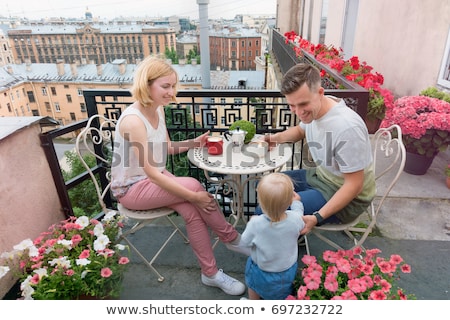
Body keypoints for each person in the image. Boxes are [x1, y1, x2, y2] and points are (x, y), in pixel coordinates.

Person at [110, 56, 245, 296]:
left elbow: (167, 147)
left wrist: (195, 142)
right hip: (132, 189)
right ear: (146, 84)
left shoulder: (157, 110)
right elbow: (151, 172)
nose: (171, 92)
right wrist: (195, 196)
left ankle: (211, 274)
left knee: (191, 211)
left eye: (173, 85)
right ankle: (232, 239)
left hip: (155, 180)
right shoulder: (133, 121)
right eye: (165, 86)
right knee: (193, 186)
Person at [260, 63, 375, 235]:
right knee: (263, 188)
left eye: (303, 104)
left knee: (269, 212)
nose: (298, 112)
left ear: (320, 92)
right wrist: (275, 138)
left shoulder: (347, 128)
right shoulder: (316, 108)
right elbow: (300, 130)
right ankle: (286, 241)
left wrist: (317, 217)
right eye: (292, 105)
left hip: (348, 197)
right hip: (319, 177)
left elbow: (354, 185)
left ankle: (279, 255)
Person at [228, 173, 305, 300]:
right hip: (286, 270)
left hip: (261, 269)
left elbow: (244, 243)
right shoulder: (295, 219)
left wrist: (252, 222)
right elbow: (299, 213)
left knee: (254, 286)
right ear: (288, 202)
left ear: (261, 202)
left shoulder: (256, 223)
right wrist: (297, 202)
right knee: (281, 294)